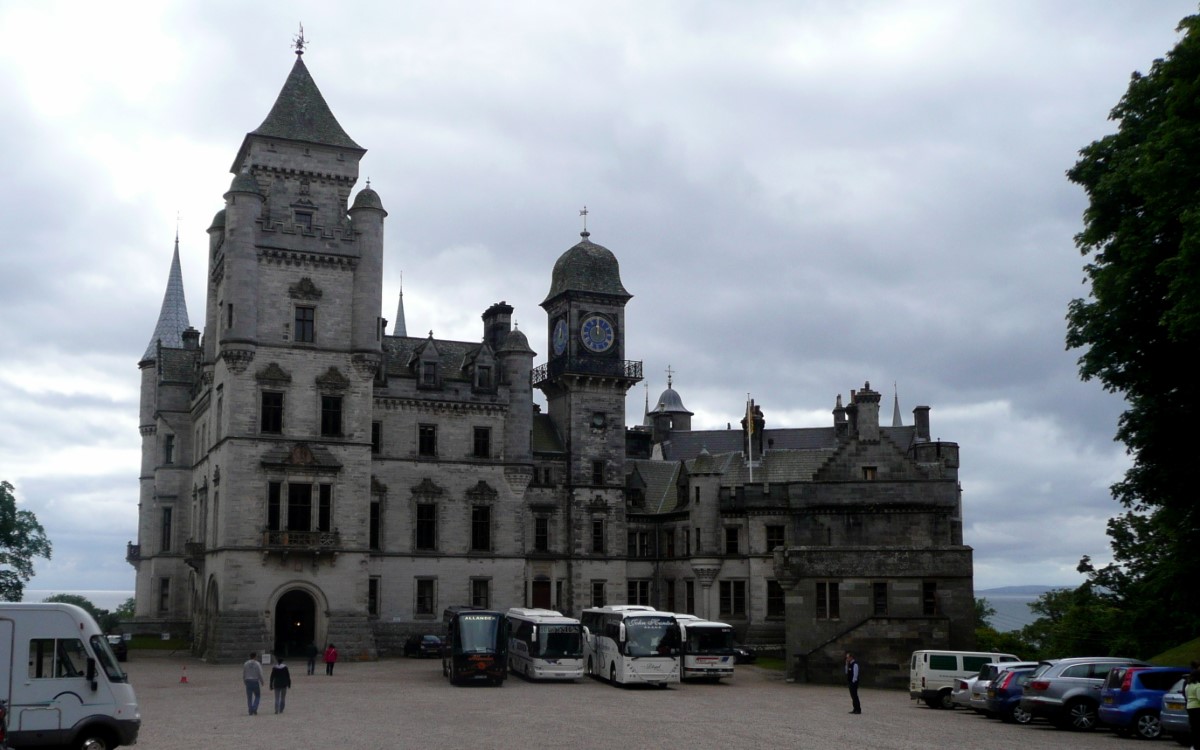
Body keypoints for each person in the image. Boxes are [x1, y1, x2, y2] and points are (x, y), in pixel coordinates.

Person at [1186, 666, 1200, 750]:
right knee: (1198, 728)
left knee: (1194, 728)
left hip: (1190, 707)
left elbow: (1187, 695)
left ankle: (1193, 745)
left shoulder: (1188, 685)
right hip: (1197, 708)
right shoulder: (1198, 686)